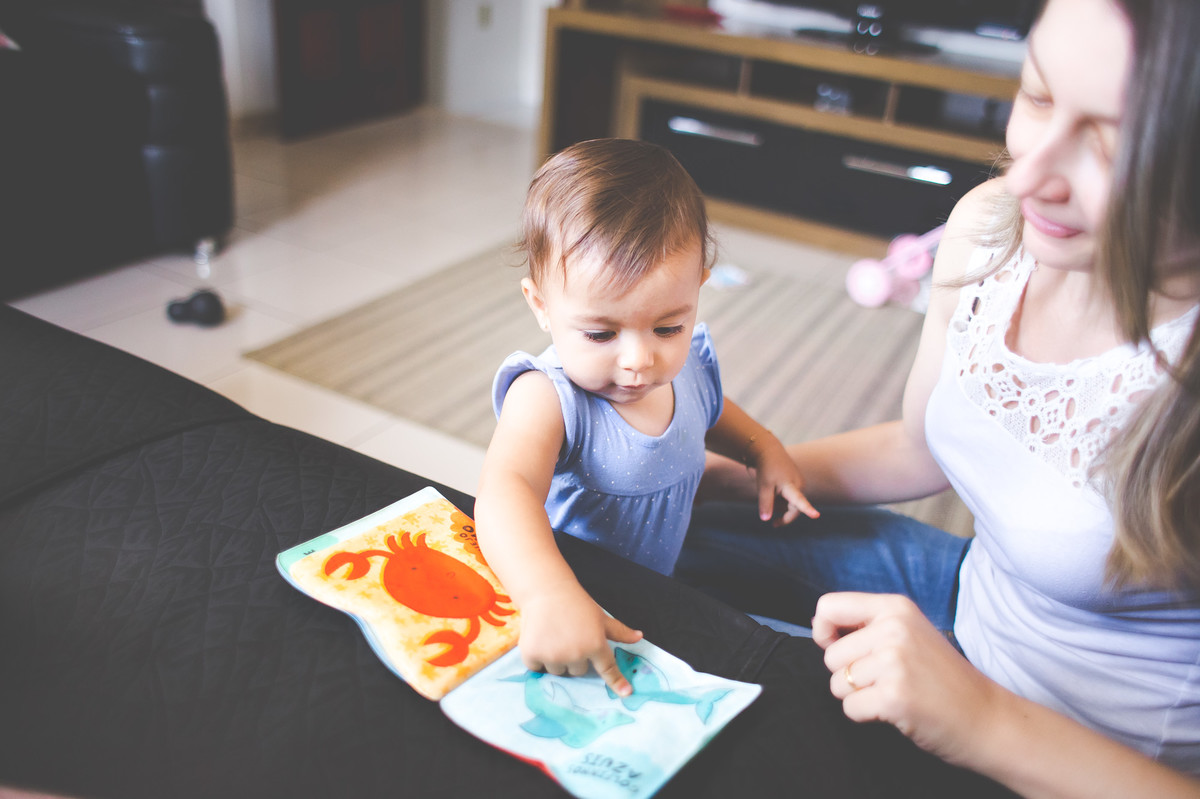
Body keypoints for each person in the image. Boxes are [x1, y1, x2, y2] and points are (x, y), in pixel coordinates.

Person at [676, 0, 1200, 794]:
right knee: (643, 535)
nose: (1028, 173)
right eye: (1038, 95)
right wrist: (718, 479)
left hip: (1081, 755)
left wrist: (979, 719)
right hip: (969, 600)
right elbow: (919, 445)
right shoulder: (991, 229)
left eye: (1110, 140)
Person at [475, 138, 817, 697]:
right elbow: (504, 492)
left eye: (667, 327)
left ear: (697, 292)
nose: (639, 361)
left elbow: (711, 411)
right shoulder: (547, 397)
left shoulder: (683, 372)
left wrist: (762, 448)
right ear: (541, 306)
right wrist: (546, 594)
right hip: (566, 602)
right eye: (601, 333)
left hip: (658, 586)